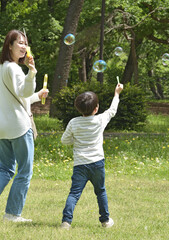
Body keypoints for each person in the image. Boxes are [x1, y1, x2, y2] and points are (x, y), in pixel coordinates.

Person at [0, 29, 48, 222]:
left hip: (1, 129)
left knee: (5, 168)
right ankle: (12, 214)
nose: (24, 47)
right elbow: (24, 91)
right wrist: (32, 72)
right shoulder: (16, 69)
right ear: (9, 46)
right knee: (25, 170)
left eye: (26, 43)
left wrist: (37, 95)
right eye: (20, 43)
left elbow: (20, 97)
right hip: (18, 128)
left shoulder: (4, 67)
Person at [60, 83, 124, 229]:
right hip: (97, 163)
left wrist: (75, 140)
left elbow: (64, 140)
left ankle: (66, 221)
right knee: (100, 191)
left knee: (74, 194)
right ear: (96, 109)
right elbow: (112, 110)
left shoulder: (74, 122)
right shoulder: (100, 120)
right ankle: (105, 221)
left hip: (80, 165)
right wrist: (117, 93)